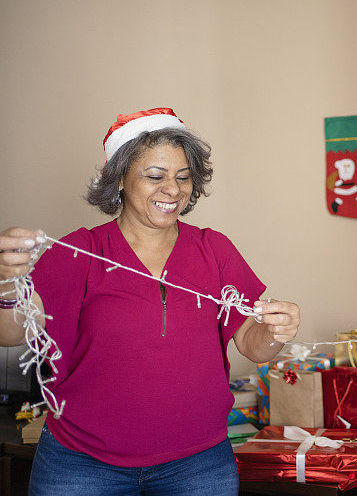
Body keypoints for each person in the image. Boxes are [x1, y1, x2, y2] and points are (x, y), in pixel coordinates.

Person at [0, 108, 300, 495]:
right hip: (81, 464)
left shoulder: (214, 250)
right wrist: (8, 281)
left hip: (199, 466)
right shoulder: (80, 251)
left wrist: (278, 332)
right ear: (120, 179)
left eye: (183, 177)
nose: (172, 190)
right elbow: (9, 334)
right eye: (155, 176)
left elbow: (254, 346)